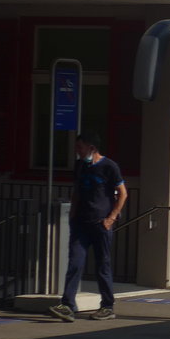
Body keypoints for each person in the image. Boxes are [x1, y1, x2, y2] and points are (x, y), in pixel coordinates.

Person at [49, 130, 127, 322]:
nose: (77, 151)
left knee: (103, 266)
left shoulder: (109, 166)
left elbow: (122, 193)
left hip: (101, 224)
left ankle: (107, 306)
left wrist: (111, 218)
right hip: (81, 224)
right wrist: (73, 214)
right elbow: (76, 190)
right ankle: (67, 305)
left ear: (91, 148)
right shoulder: (80, 166)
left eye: (80, 147)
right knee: (75, 263)